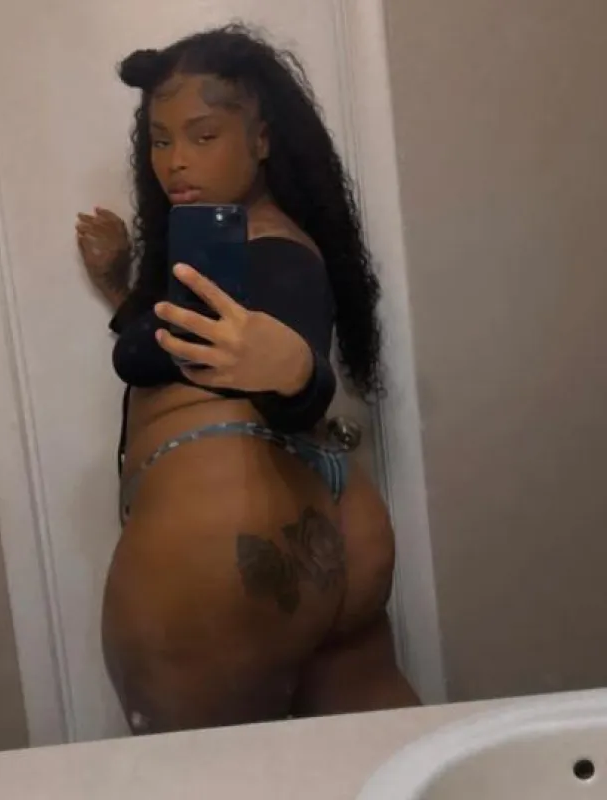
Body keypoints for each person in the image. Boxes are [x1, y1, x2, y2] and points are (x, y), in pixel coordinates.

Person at [76, 24, 418, 735]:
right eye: (160, 140)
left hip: (229, 543)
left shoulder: (277, 255)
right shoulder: (249, 247)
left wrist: (296, 374)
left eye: (203, 135)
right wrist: (120, 288)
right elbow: (181, 345)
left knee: (198, 776)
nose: (175, 160)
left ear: (262, 139)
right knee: (377, 761)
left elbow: (294, 361)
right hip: (333, 524)